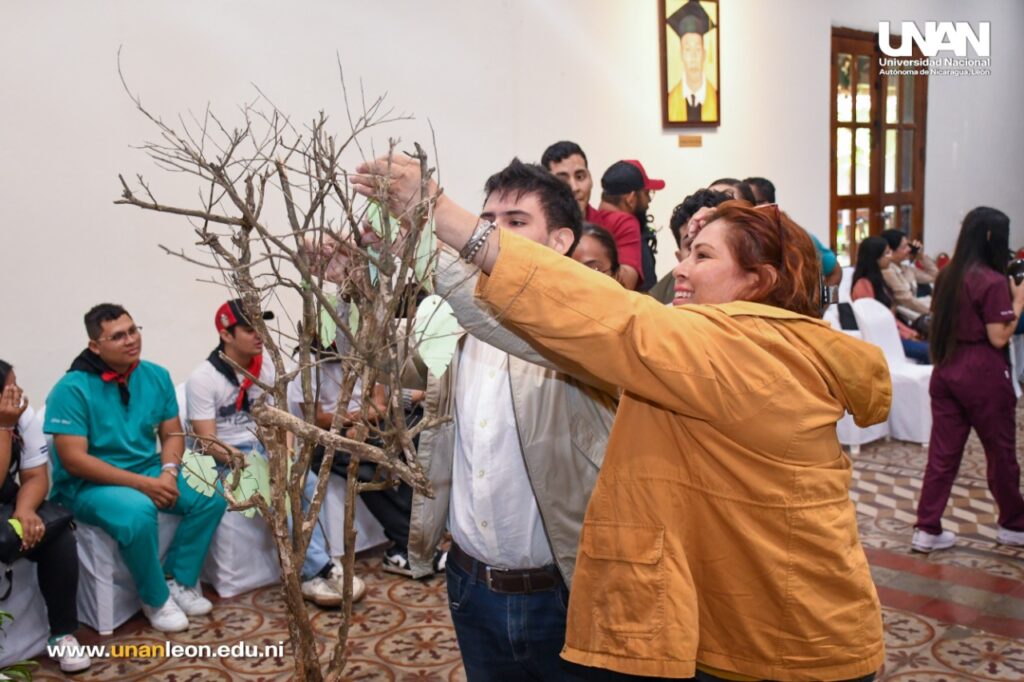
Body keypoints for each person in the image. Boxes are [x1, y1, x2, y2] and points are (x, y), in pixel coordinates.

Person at [354, 154, 890, 681]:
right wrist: (405, 253)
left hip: (791, 648)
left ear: (757, 282)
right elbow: (521, 330)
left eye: (702, 256)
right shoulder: (691, 357)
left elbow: (610, 317)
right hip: (730, 630)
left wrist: (440, 215)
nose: (679, 269)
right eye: (685, 251)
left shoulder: (749, 353)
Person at [338, 159, 617, 680]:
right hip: (472, 584)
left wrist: (426, 241)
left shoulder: (589, 328)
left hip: (564, 590)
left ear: (558, 242)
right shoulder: (455, 325)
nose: (486, 233)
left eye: (514, 222)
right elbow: (376, 358)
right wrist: (348, 286)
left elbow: (510, 322)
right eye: (485, 218)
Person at [45, 304, 227, 633]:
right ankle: (155, 599)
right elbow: (74, 460)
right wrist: (145, 485)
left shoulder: (155, 375)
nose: (130, 340)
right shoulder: (71, 389)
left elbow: (172, 434)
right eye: (117, 336)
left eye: (133, 330)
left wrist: (168, 472)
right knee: (138, 510)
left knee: (209, 493)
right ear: (95, 346)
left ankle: (177, 579)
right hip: (88, 485)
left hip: (148, 470)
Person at [185, 298, 365, 605]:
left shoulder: (265, 365)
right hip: (226, 460)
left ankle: (318, 566)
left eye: (261, 324)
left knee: (305, 481)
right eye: (248, 327)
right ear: (226, 334)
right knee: (279, 487)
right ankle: (314, 572)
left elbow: (283, 420)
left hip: (266, 450)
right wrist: (250, 463)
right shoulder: (204, 378)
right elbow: (207, 442)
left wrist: (288, 454)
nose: (259, 333)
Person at [912, 207, 1024, 552]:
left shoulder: (948, 276)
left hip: (946, 367)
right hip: (983, 372)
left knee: (942, 455)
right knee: (1001, 452)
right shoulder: (990, 281)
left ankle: (926, 528)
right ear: (992, 237)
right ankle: (1013, 525)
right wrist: (1019, 300)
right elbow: (998, 337)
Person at [0, 362, 89, 673]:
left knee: (60, 537)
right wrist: (3, 429)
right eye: (10, 388)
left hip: (9, 500)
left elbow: (36, 476)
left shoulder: (19, 414)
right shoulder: (8, 420)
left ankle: (63, 633)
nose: (19, 393)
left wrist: (25, 511)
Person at [540, 141, 650, 291]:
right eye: (562, 179)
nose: (574, 188)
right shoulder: (539, 227)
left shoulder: (620, 223)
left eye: (580, 176)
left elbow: (626, 284)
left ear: (591, 180)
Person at [742, 175, 842, 287]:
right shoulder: (738, 237)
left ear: (768, 204)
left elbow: (835, 271)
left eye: (752, 202)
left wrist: (822, 303)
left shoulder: (795, 236)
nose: (745, 209)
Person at [850, 236, 930, 364]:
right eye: (887, 253)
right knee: (931, 351)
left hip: (895, 334)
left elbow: (891, 318)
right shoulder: (863, 285)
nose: (891, 256)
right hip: (886, 339)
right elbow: (877, 323)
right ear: (875, 258)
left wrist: (910, 332)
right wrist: (907, 334)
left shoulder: (879, 280)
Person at [649, 188, 732, 304]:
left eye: (704, 253)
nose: (677, 272)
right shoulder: (659, 311)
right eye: (690, 246)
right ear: (679, 257)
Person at [599, 160, 664, 291]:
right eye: (647, 194)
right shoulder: (627, 224)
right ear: (631, 197)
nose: (649, 201)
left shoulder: (588, 223)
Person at [666, 0, 718, 123]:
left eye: (698, 49)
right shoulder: (670, 100)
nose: (693, 56)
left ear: (704, 54)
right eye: (688, 49)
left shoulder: (716, 98)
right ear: (681, 54)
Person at [881, 229, 938, 320]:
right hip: (903, 316)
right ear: (890, 251)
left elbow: (935, 277)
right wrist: (931, 312)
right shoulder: (887, 271)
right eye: (904, 247)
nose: (909, 249)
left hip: (915, 312)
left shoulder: (906, 269)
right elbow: (906, 299)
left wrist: (921, 257)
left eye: (909, 245)